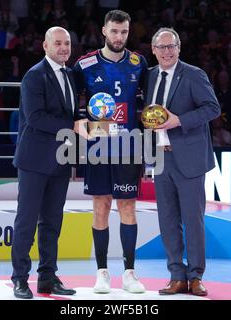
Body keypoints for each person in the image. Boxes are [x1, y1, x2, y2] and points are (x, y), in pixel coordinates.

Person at [73, 10, 148, 294]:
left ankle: (129, 272)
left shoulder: (138, 63)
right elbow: (71, 102)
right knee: (101, 206)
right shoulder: (85, 64)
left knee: (127, 206)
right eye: (114, 31)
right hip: (98, 145)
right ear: (104, 30)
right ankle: (102, 272)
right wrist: (78, 122)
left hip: (128, 145)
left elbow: (150, 102)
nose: (119, 37)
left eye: (124, 32)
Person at [11, 26, 87, 299]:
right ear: (45, 46)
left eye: (67, 43)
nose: (64, 47)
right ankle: (19, 278)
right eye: (58, 43)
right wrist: (74, 126)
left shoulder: (70, 74)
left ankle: (47, 278)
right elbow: (36, 118)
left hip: (60, 160)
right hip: (34, 160)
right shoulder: (34, 76)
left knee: (52, 222)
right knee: (27, 222)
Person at [145, 28, 220, 296]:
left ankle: (196, 276)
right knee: (167, 219)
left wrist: (179, 120)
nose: (167, 51)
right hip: (160, 158)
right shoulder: (150, 76)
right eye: (161, 47)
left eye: (171, 46)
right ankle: (176, 275)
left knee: (193, 219)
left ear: (179, 48)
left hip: (189, 158)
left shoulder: (194, 74)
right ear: (153, 50)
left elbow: (212, 108)